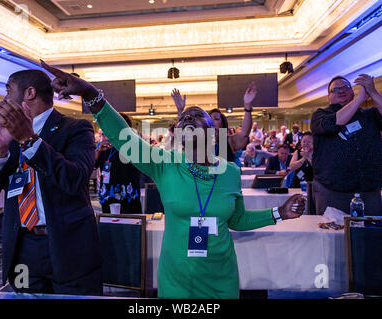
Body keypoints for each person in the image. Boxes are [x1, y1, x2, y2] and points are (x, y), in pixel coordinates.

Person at [41, 60, 306, 299]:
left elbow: (236, 220)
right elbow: (125, 138)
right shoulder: (165, 163)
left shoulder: (230, 172)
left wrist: (278, 213)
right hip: (177, 280)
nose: (187, 119)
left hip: (221, 278)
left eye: (195, 116)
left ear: (213, 135)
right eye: (183, 118)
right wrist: (90, 94)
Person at [0, 69, 103, 295]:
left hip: (67, 244)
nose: (4, 99)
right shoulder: (7, 135)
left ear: (29, 92)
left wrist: (29, 139)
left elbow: (76, 180)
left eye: (8, 90)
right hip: (23, 247)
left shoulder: (75, 128)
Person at [311, 74, 382, 216]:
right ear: (329, 97)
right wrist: (359, 100)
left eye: (345, 87)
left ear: (352, 91)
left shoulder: (370, 114)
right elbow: (334, 123)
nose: (341, 91)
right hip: (332, 190)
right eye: (335, 90)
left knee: (371, 234)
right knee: (333, 235)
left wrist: (372, 91)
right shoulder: (320, 115)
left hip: (368, 191)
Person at [171, 83, 256, 166]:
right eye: (209, 119)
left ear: (222, 124)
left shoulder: (227, 141)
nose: (211, 121)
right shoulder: (199, 142)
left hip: (222, 178)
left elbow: (244, 133)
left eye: (216, 119)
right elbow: (182, 132)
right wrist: (180, 111)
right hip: (199, 179)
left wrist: (247, 106)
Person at [95, 113, 142, 214]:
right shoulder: (105, 145)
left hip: (127, 197)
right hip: (108, 195)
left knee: (129, 226)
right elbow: (93, 164)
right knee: (110, 226)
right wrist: (98, 150)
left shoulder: (133, 145)